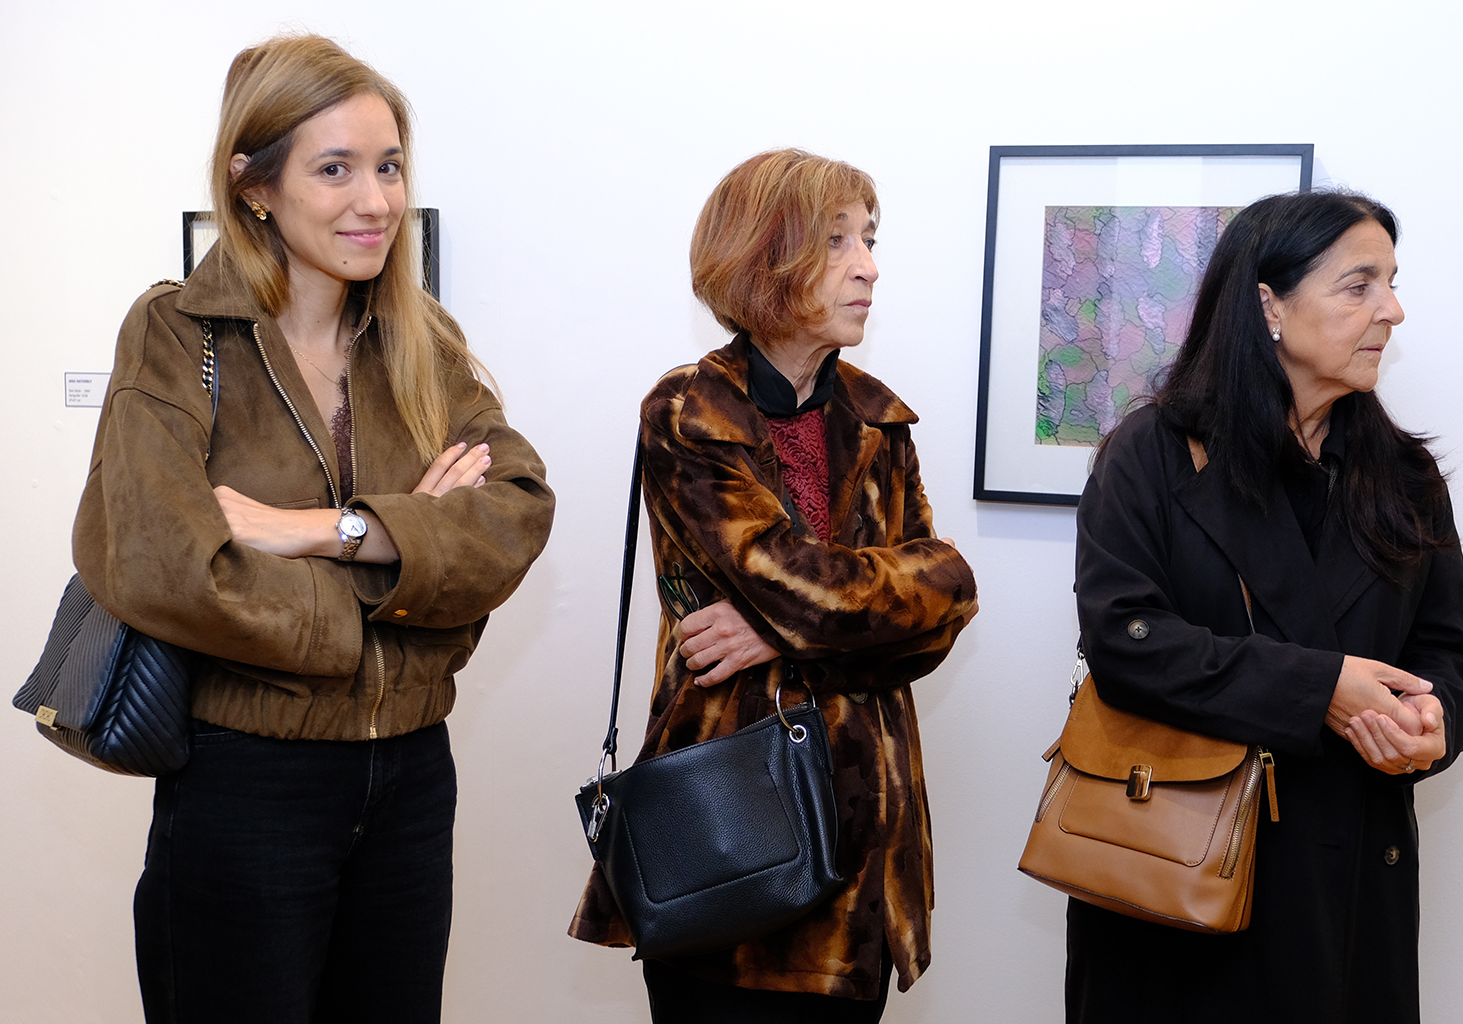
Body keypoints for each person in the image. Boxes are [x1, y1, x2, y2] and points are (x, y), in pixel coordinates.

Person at [71, 35, 555, 1024]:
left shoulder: (425, 337)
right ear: (254, 185)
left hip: (414, 777)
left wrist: (322, 531)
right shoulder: (177, 333)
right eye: (334, 169)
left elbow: (514, 512)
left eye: (388, 166)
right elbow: (162, 558)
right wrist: (402, 574)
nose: (374, 201)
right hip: (250, 782)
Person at [568, 149, 978, 1021]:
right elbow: (799, 582)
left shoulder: (879, 416)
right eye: (837, 242)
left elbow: (947, 601)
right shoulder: (688, 411)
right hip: (729, 831)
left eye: (868, 238)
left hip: (869, 832)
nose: (868, 265)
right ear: (765, 259)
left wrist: (773, 629)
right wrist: (847, 607)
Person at [1068, 190, 1463, 1022]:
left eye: (1392, 284)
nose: (1391, 311)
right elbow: (1124, 641)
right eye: (1358, 285)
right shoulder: (1149, 454)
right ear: (1266, 304)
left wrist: (1434, 723)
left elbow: (1450, 653)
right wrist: (1319, 687)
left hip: (1351, 880)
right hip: (1181, 879)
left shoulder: (1403, 479)